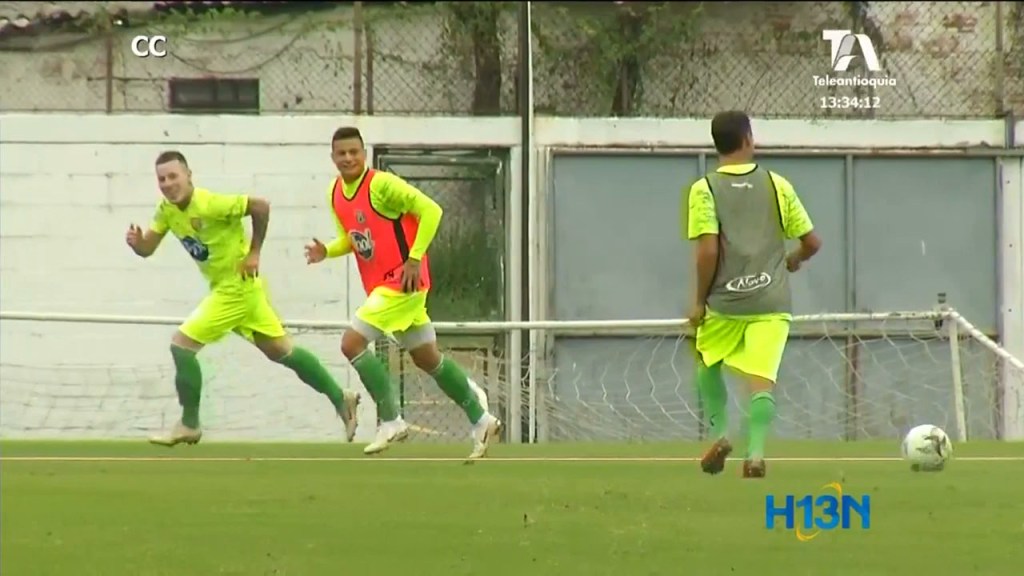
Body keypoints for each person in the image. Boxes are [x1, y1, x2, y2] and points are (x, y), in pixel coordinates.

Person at [125, 151, 359, 447]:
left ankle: (189, 424)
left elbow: (260, 206)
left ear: (189, 176)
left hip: (235, 289)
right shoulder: (166, 210)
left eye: (174, 176)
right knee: (281, 351)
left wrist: (254, 252)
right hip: (240, 289)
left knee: (181, 346)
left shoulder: (210, 203)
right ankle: (341, 398)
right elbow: (148, 248)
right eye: (162, 179)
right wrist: (137, 244)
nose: (168, 184)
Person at [304, 126, 502, 460]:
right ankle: (481, 419)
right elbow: (354, 238)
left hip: (402, 281)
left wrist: (414, 259)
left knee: (351, 343)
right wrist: (328, 251)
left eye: (354, 152)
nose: (349, 158)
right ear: (333, 157)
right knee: (427, 358)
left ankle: (391, 420)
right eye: (342, 153)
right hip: (386, 286)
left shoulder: (382, 185)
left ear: (364, 153)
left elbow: (432, 211)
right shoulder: (335, 193)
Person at [684, 111, 822, 478]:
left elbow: (708, 250)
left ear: (717, 145)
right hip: (771, 303)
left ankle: (719, 435)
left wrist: (698, 301)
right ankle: (756, 454)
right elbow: (812, 242)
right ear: (748, 139)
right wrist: (794, 259)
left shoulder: (704, 189)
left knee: (707, 362)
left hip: (725, 302)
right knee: (762, 380)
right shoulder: (778, 185)